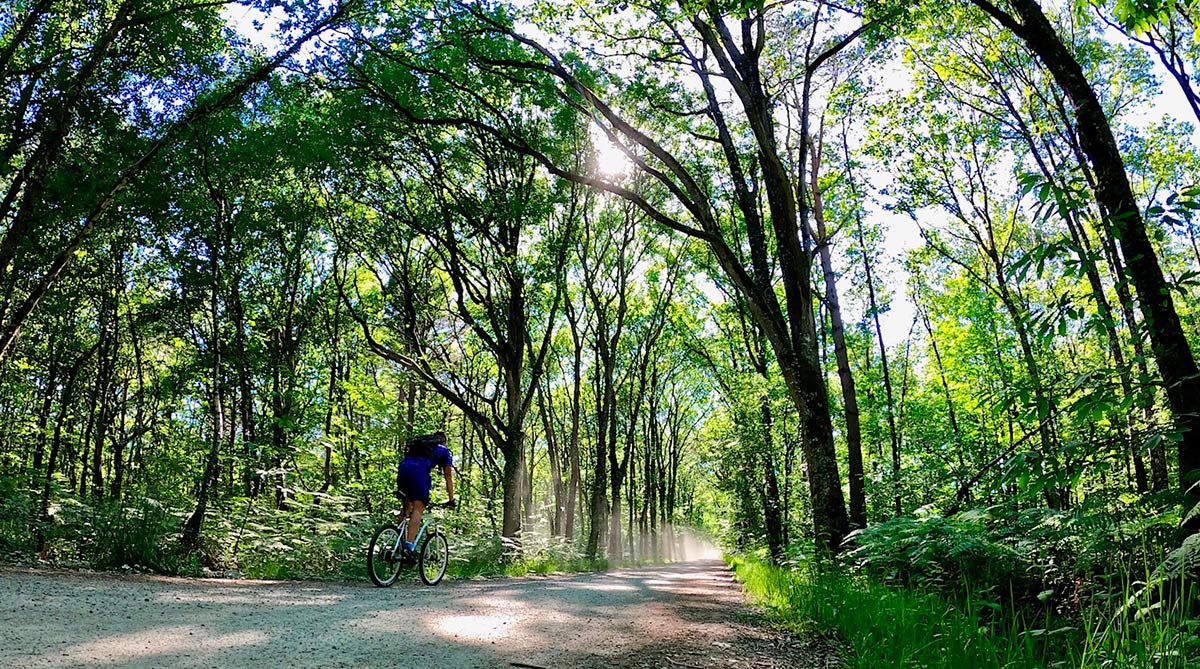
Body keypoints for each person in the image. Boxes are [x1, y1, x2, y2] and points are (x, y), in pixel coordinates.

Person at [397, 430, 455, 554]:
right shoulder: (444, 450)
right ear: (444, 442)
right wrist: (451, 500)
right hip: (418, 472)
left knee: (407, 507)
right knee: (419, 507)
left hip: (403, 469)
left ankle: (398, 542)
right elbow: (448, 477)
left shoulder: (420, 446)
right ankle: (408, 546)